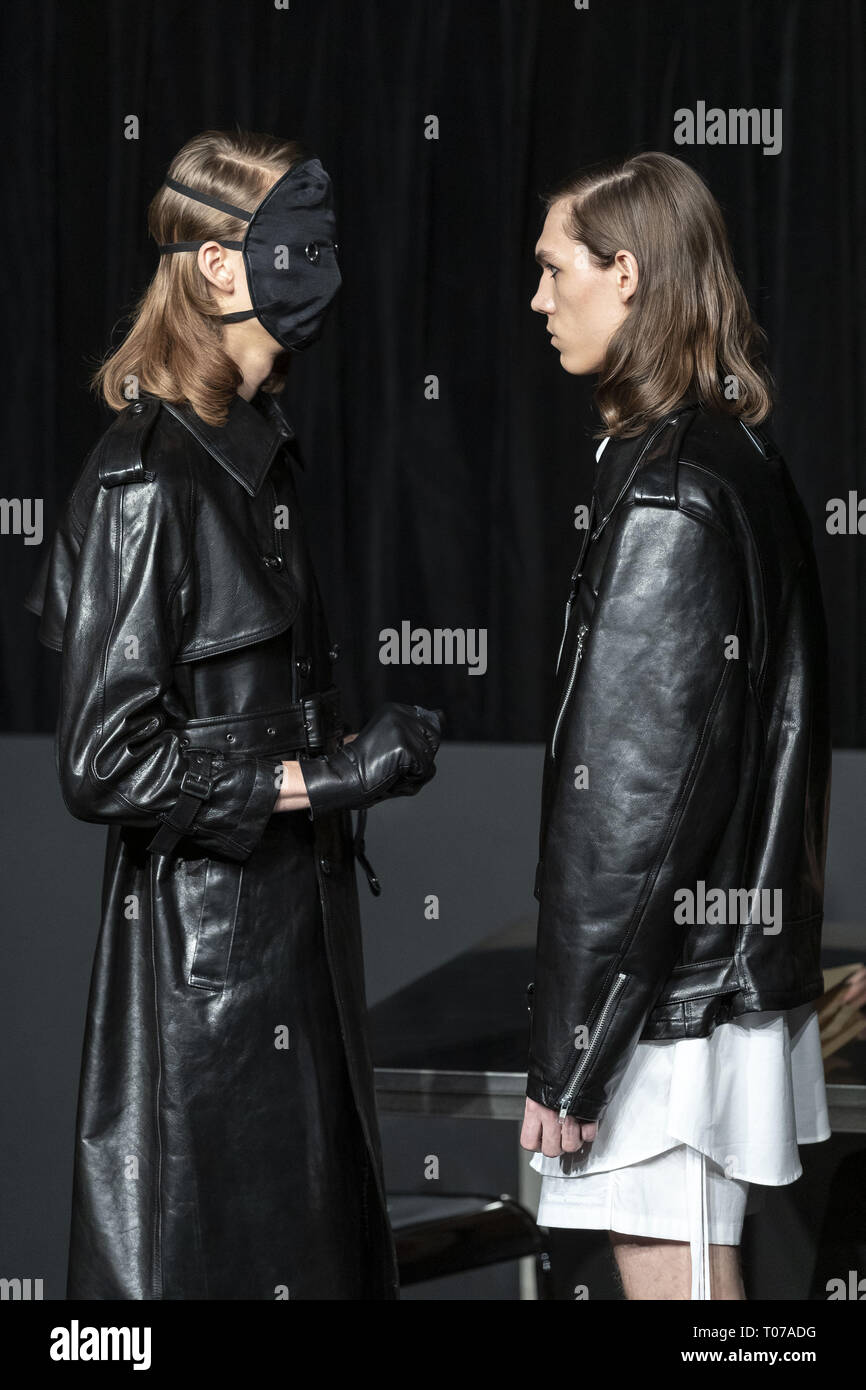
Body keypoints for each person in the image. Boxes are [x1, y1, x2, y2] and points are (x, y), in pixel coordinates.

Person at [23, 128, 442, 1300]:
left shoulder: (259, 461)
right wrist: (325, 779)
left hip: (296, 949)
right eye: (295, 238)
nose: (326, 265)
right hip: (200, 989)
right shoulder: (142, 477)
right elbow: (104, 764)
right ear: (216, 266)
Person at [519, 151, 832, 1302]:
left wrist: (575, 1055)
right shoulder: (731, 457)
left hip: (666, 1005)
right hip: (696, 977)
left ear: (627, 273)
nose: (537, 299)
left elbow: (632, 815)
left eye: (556, 271)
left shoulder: (665, 492)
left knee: (680, 1290)